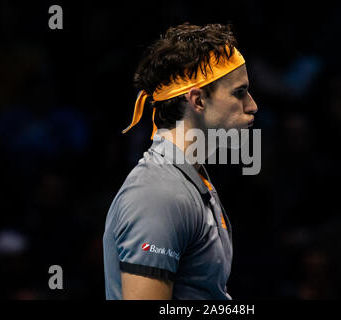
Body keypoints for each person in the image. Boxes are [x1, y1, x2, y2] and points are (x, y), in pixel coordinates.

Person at [103, 23, 258, 300]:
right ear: (197, 100)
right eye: (239, 92)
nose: (252, 105)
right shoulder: (157, 194)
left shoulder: (190, 181)